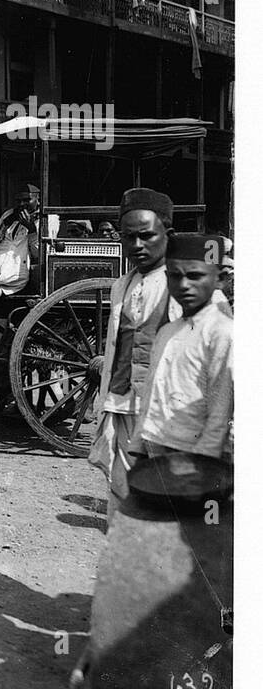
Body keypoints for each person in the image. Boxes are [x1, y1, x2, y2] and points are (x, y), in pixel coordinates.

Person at [87, 188, 229, 516]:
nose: (137, 246)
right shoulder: (121, 285)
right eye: (128, 237)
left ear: (169, 234)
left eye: (146, 236)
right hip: (123, 407)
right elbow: (116, 346)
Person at [130, 233, 232, 467]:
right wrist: (138, 444)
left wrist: (204, 461)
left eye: (195, 276)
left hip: (198, 453)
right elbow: (152, 393)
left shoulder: (223, 333)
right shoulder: (166, 333)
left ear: (220, 279)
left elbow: (223, 406)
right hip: (158, 444)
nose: (184, 285)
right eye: (176, 276)